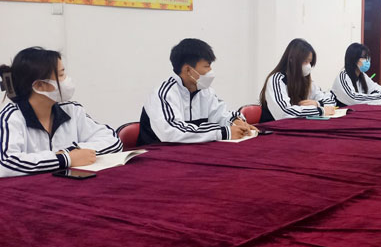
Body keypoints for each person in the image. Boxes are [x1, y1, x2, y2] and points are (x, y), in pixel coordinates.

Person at [0, 47, 121, 177]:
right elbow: (7, 163)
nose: (67, 80)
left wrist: (70, 152)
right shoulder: (11, 118)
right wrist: (66, 159)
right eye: (61, 75)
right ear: (39, 86)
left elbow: (113, 141)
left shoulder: (72, 110)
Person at [138, 38, 255, 144]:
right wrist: (223, 132)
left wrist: (235, 122)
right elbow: (173, 132)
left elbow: (219, 114)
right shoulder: (164, 94)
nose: (211, 71)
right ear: (188, 70)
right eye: (207, 66)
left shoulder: (205, 91)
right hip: (156, 154)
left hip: (190, 152)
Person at [260, 38, 336, 120]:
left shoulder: (306, 81)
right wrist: (320, 110)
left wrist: (318, 103)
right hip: (274, 126)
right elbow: (285, 112)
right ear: (292, 60)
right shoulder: (277, 80)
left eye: (310, 62)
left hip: (300, 125)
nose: (308, 66)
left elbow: (331, 102)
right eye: (305, 61)